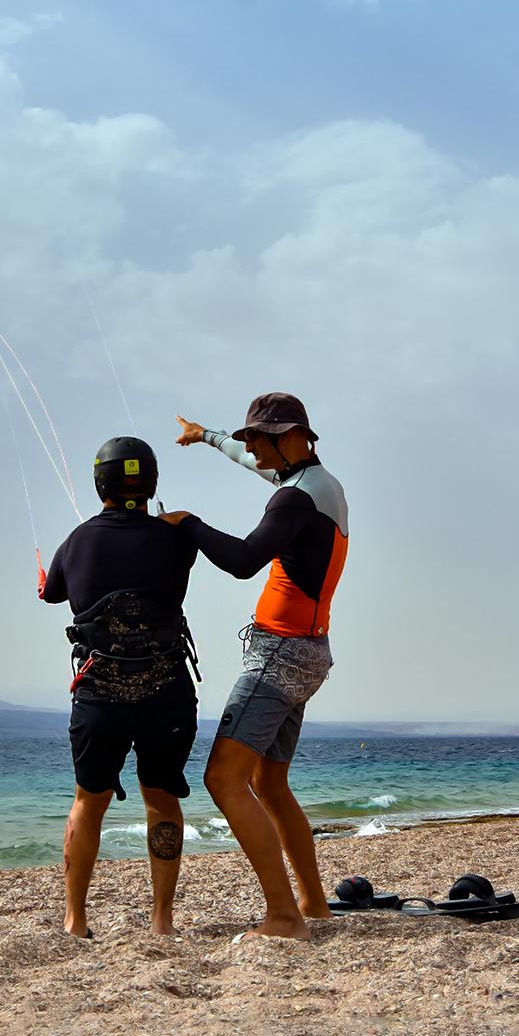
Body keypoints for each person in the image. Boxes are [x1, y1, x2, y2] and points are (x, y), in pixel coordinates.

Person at [162, 393, 348, 941]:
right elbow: (252, 463)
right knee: (270, 781)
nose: (252, 451)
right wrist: (206, 435)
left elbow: (244, 562)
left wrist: (189, 524)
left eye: (256, 440)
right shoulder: (318, 485)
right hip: (310, 651)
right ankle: (313, 904)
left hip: (280, 654)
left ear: (285, 436)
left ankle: (284, 917)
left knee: (222, 777)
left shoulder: (292, 503)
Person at [40, 436, 199, 939]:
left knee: (89, 801)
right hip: (167, 694)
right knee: (162, 799)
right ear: (151, 483)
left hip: (99, 698)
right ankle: (162, 921)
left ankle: (76, 920)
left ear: (99, 482)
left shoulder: (77, 540)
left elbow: (51, 594)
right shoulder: (176, 538)